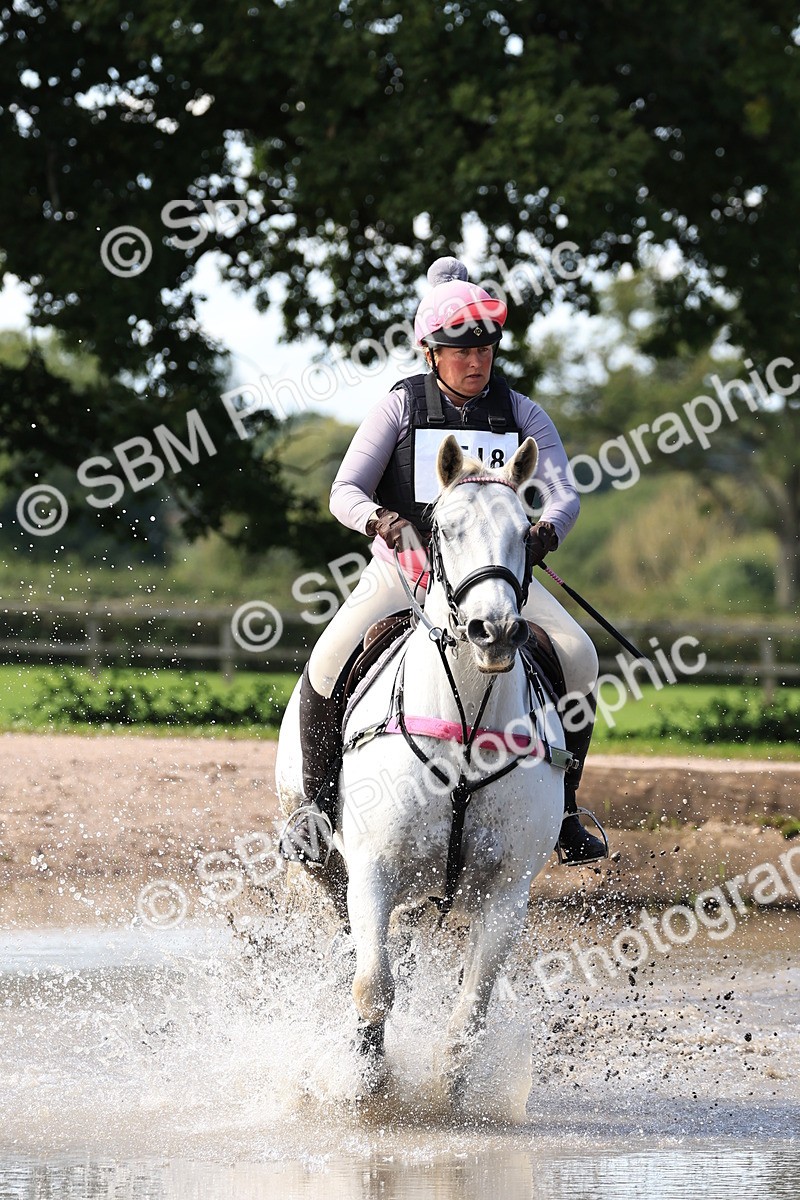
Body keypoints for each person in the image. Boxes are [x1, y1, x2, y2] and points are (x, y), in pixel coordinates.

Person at [285, 257, 607, 867]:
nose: (475, 359)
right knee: (327, 660)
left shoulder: (521, 413)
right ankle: (317, 811)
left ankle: (564, 809)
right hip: (406, 572)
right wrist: (386, 522)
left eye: (484, 346)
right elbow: (344, 490)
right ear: (430, 350)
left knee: (579, 656)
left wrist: (543, 536)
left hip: (497, 577)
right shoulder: (400, 407)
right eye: (460, 348)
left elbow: (565, 494)